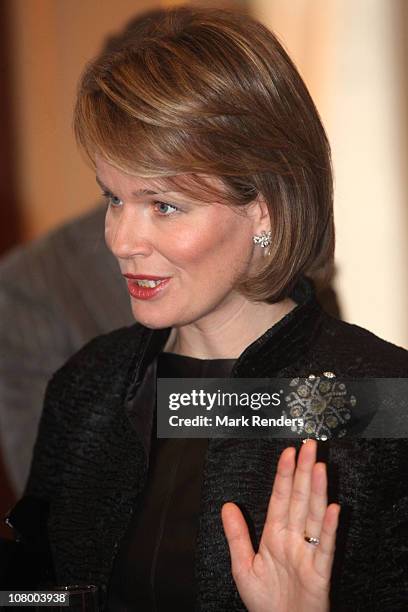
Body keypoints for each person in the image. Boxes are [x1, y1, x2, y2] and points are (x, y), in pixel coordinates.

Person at [2, 6, 408, 611]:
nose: (120, 240)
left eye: (162, 205)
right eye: (114, 198)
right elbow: (33, 589)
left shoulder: (380, 400)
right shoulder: (89, 388)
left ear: (265, 207)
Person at [0, 205, 134, 495]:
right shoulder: (29, 286)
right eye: (113, 197)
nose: (122, 243)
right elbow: (53, 486)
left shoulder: (251, 235)